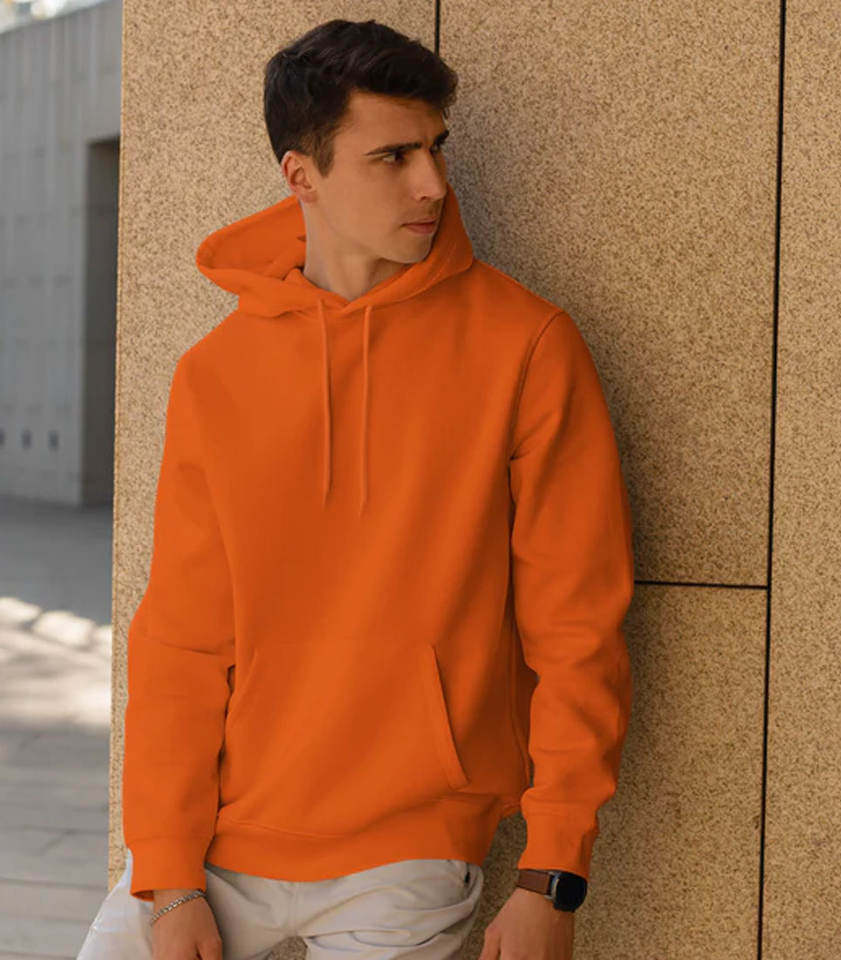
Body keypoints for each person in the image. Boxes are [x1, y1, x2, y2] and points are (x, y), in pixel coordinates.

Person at [77, 17, 634, 960]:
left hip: (408, 853)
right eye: (393, 157)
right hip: (218, 843)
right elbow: (181, 639)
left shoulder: (526, 348)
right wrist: (167, 879)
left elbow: (577, 628)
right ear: (302, 175)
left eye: (435, 148)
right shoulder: (218, 373)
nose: (434, 184)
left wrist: (552, 874)